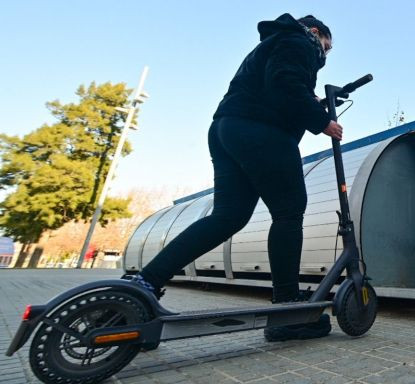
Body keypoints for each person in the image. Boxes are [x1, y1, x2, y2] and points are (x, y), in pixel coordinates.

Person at [128, 13, 341, 342]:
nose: (324, 55)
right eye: (326, 47)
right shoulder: (300, 41)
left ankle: (145, 283)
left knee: (229, 216)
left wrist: (309, 102)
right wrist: (322, 120)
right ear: (315, 32)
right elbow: (286, 83)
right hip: (260, 131)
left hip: (228, 127)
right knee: (288, 211)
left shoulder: (276, 42)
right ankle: (286, 310)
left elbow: (278, 86)